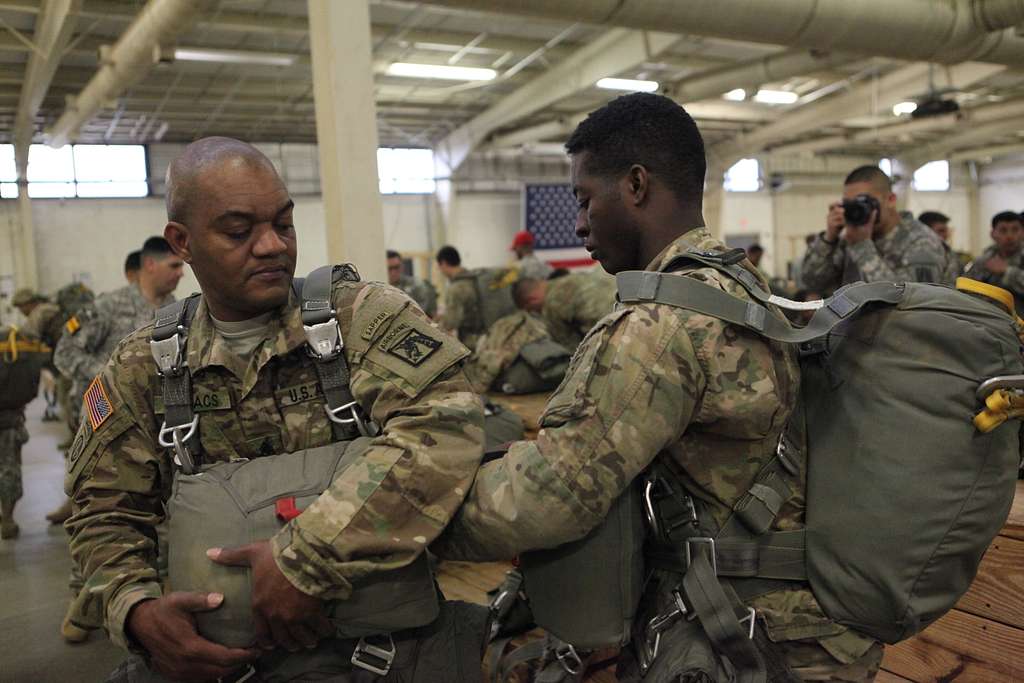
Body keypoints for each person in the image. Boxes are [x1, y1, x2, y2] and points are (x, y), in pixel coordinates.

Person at [434, 93, 881, 681]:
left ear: (636, 185)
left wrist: (404, 519)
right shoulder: (744, 287)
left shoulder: (658, 324)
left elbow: (549, 496)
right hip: (806, 629)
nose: (578, 222)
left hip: (742, 641)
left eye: (584, 198)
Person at [65, 137, 485, 682]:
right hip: (219, 663)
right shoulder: (142, 367)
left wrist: (305, 558)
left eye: (283, 224)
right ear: (182, 242)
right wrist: (136, 611)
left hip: (382, 653)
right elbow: (102, 510)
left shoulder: (362, 319)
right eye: (239, 231)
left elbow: (445, 431)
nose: (271, 246)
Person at [53, 237, 184, 642]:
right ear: (149, 264)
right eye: (173, 266)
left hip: (158, 425)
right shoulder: (105, 307)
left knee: (157, 509)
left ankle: (149, 593)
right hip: (103, 425)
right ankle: (83, 599)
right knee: (101, 508)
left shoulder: (177, 311)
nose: (181, 273)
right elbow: (64, 353)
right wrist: (113, 378)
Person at [801, 166, 957, 292]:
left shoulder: (921, 242)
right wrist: (829, 239)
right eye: (851, 204)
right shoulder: (850, 238)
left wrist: (862, 246)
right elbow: (812, 282)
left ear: (890, 200)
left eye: (864, 202)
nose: (858, 209)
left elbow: (910, 305)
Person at [12, 289, 72, 523]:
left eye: (22, 307)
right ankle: (73, 434)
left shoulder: (41, 311)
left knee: (68, 399)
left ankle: (76, 434)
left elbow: (28, 334)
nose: (22, 311)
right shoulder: (51, 308)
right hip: (64, 359)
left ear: (29, 303)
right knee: (66, 399)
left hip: (68, 360)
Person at [436, 245, 517, 351]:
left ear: (444, 263)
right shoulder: (475, 279)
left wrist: (434, 328)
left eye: (439, 266)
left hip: (473, 344)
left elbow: (449, 323)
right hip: (494, 338)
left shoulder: (456, 289)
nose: (440, 270)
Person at [512, 271, 616, 350]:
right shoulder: (571, 278)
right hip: (625, 316)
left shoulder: (550, 306)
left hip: (610, 338)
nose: (535, 313)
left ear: (531, 300)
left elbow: (572, 349)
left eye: (531, 310)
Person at [964, 211, 1024, 312]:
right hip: (989, 321)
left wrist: (1007, 271)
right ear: (993, 234)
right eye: (1003, 230)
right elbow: (965, 288)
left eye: (1015, 230)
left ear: (1022, 232)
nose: (1009, 236)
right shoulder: (984, 260)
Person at [386, 249, 438, 317]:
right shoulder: (381, 289)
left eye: (396, 267)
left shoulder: (416, 285)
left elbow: (422, 311)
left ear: (402, 266)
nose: (393, 272)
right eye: (389, 268)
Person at [918, 210, 969, 276]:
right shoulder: (915, 256)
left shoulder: (951, 255)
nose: (946, 235)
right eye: (941, 231)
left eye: (946, 230)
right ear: (926, 231)